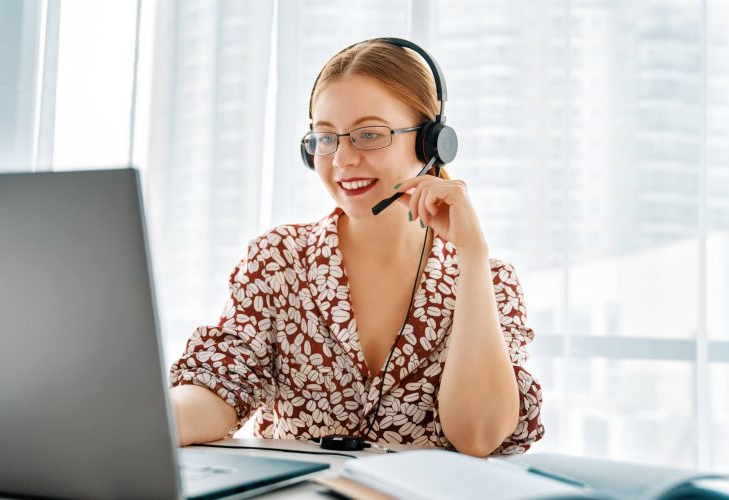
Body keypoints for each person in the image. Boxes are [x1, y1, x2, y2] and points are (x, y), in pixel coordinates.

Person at [169, 38, 544, 457]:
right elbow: (222, 386)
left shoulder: (491, 281)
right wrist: (148, 419)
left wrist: (472, 255)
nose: (342, 159)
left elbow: (478, 436)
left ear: (430, 142)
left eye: (368, 135)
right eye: (326, 138)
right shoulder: (279, 259)